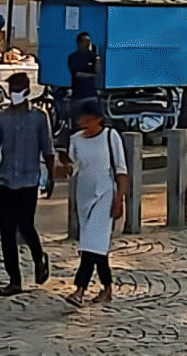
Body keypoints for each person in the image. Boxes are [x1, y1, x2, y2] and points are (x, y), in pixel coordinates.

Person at [0, 72, 55, 296]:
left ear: (28, 91)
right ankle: (14, 279)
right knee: (7, 232)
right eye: (12, 89)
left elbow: (48, 150)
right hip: (5, 181)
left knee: (26, 226)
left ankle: (39, 257)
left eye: (19, 89)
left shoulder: (40, 118)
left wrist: (51, 177)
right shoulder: (1, 119)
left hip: (29, 181)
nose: (15, 94)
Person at [64, 100, 129, 307]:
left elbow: (121, 170)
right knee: (96, 245)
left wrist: (119, 199)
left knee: (90, 243)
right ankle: (107, 287)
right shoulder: (75, 140)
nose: (82, 122)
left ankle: (79, 289)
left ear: (97, 119)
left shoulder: (111, 137)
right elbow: (73, 168)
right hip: (84, 195)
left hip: (105, 194)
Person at [68, 32, 98, 104]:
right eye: (85, 41)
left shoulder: (92, 56)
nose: (87, 43)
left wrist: (97, 57)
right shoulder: (73, 57)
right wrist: (92, 76)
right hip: (78, 95)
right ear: (79, 42)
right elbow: (77, 74)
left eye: (88, 41)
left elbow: (97, 71)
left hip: (92, 94)